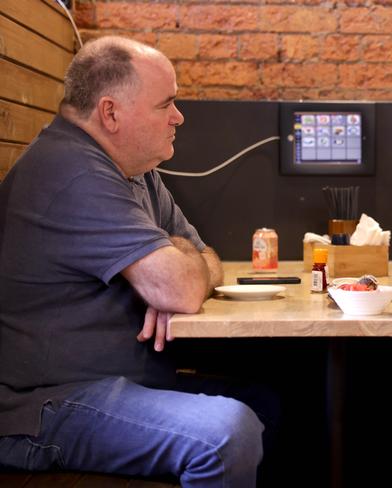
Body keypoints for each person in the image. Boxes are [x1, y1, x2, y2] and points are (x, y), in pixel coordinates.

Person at [0, 36, 267, 487]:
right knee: (225, 434)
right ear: (111, 113)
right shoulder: (71, 171)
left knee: (275, 404)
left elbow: (205, 257)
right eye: (167, 104)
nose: (179, 117)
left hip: (115, 382)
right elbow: (182, 287)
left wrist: (176, 268)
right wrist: (172, 276)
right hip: (44, 404)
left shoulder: (135, 170)